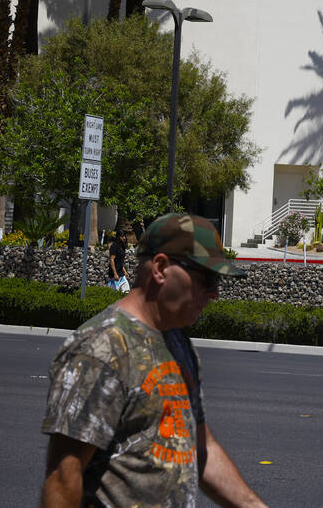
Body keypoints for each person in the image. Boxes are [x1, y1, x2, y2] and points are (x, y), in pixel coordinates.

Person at [40, 213, 267, 508]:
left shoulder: (177, 340)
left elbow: (201, 450)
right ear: (160, 268)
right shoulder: (101, 348)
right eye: (207, 278)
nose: (214, 294)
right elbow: (62, 479)